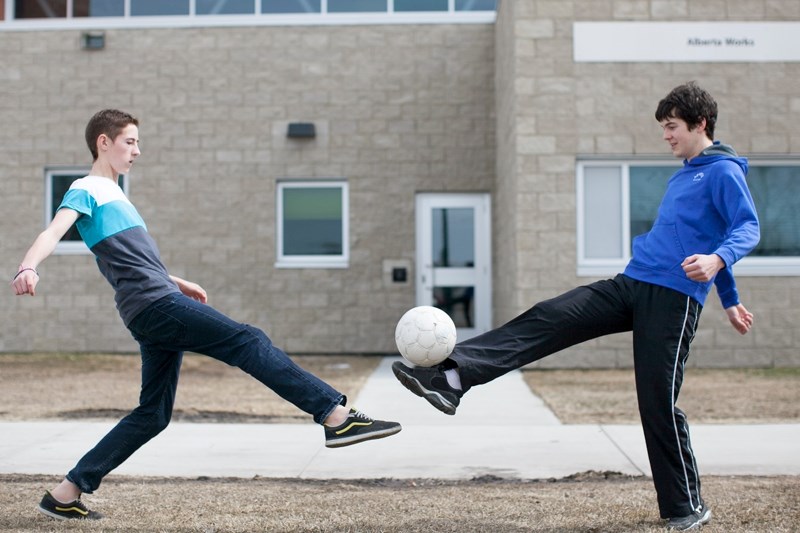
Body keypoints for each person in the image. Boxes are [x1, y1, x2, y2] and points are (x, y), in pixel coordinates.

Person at [392, 82, 759, 531]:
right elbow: (710, 236)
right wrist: (732, 298)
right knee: (553, 314)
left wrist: (721, 269)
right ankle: (451, 377)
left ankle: (686, 506)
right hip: (632, 282)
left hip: (674, 298)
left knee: (656, 402)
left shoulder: (723, 171)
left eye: (673, 127)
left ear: (701, 124)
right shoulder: (685, 172)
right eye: (664, 127)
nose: (666, 135)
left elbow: (745, 227)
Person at [11, 109, 401, 521]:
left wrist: (175, 279)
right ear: (103, 143)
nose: (137, 151)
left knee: (153, 415)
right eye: (130, 142)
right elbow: (53, 230)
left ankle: (65, 492)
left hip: (153, 303)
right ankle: (335, 416)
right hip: (155, 306)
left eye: (138, 143)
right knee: (247, 340)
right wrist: (28, 266)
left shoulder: (118, 197)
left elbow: (133, 262)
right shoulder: (86, 187)